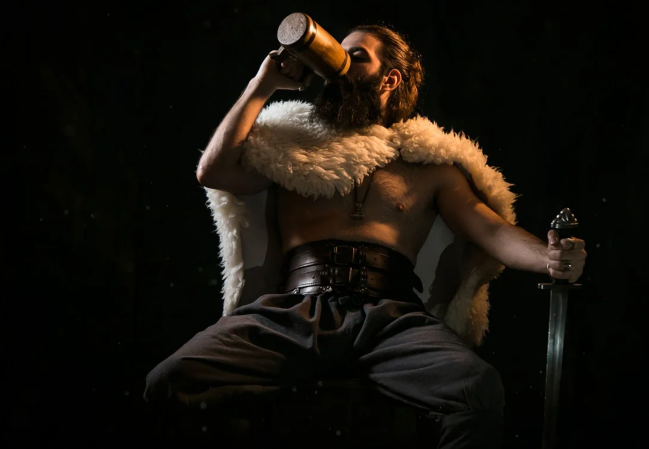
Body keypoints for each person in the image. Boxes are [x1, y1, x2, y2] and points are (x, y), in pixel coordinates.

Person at [143, 25, 587, 447]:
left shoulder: (429, 167)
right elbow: (214, 171)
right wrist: (263, 84)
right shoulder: (291, 151)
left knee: (477, 388)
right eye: (333, 54)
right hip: (294, 312)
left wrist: (549, 257)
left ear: (389, 78)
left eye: (354, 57)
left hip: (391, 319)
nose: (336, 66)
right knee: (170, 380)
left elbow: (490, 228)